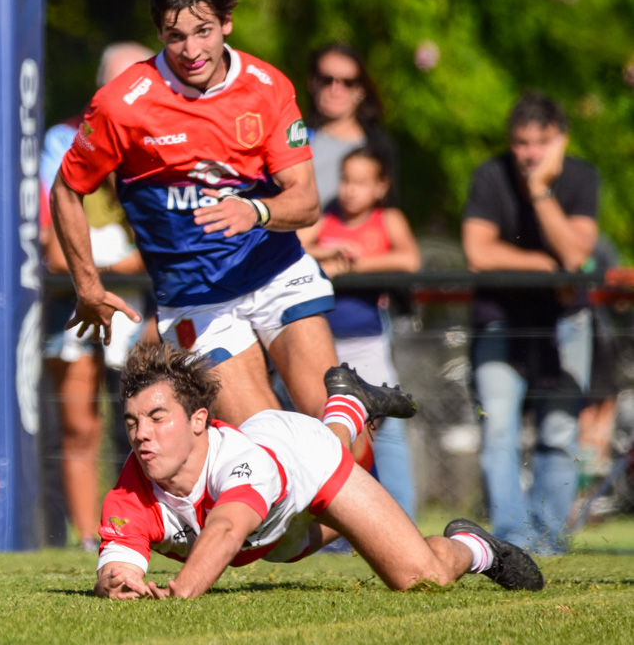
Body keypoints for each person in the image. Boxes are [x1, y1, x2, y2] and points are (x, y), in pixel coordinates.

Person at [51, 0, 344, 431]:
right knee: (270, 445)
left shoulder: (266, 87)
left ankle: (359, 438)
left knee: (335, 430)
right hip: (196, 299)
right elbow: (66, 190)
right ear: (159, 34)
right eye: (175, 36)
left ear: (226, 23)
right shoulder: (122, 103)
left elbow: (305, 202)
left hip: (276, 273)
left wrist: (254, 210)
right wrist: (88, 287)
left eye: (203, 31)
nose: (191, 50)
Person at [94, 344, 543, 600]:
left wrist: (180, 592)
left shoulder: (240, 463)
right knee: (289, 547)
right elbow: (116, 562)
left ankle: (474, 546)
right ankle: (349, 406)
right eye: (132, 422)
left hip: (301, 458)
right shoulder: (129, 492)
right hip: (269, 537)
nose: (141, 435)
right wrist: (118, 582)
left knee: (420, 578)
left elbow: (228, 528)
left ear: (198, 420)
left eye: (157, 417)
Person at [463, 91, 599, 554]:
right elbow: (478, 252)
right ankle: (512, 539)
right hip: (500, 321)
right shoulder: (490, 174)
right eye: (521, 143)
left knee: (559, 433)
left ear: (560, 141)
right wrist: (547, 266)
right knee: (497, 430)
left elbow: (577, 253)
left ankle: (547, 538)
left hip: (566, 322)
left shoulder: (581, 178)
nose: (530, 154)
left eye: (541, 143)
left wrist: (542, 190)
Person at [41, 41, 150, 550]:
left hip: (145, 305)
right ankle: (89, 538)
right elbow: (54, 245)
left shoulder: (162, 141)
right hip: (73, 301)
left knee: (149, 425)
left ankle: (147, 528)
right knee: (79, 425)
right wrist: (106, 271)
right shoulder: (64, 141)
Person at [298, 144, 420, 517]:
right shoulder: (327, 215)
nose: (351, 189)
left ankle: (400, 515)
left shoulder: (388, 218)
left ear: (381, 186)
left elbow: (410, 259)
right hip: (325, 344)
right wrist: (328, 255)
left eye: (362, 182)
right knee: (330, 426)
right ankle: (338, 519)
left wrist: (355, 264)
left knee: (386, 430)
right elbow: (298, 247)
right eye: (347, 180)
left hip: (369, 344)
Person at [303, 44, 398, 209]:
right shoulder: (291, 135)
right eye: (326, 80)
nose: (335, 89)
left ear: (361, 90)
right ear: (311, 82)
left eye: (348, 83)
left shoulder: (379, 147)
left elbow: (389, 213)